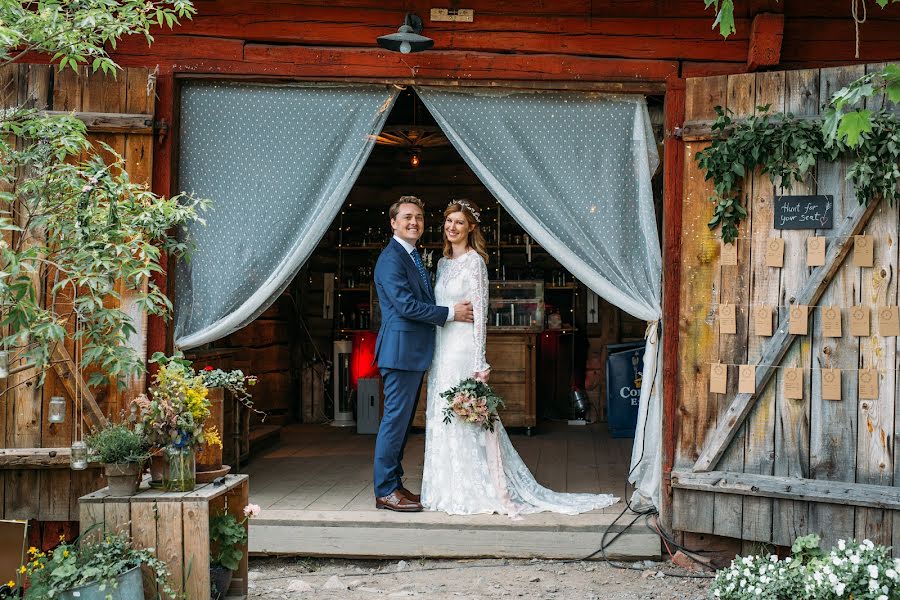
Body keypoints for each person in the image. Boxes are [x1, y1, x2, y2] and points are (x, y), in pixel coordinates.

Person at [421, 199, 619, 516]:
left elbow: (481, 315)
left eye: (459, 222)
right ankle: (445, 487)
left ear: (471, 227)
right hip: (441, 348)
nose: (452, 227)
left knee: (467, 416)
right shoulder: (442, 264)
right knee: (442, 413)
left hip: (462, 350)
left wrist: (479, 361)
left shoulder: (475, 263)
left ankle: (477, 485)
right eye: (448, 222)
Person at [372, 195, 474, 512]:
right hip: (400, 353)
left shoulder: (412, 255)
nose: (414, 222)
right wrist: (449, 313)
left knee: (401, 425)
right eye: (406, 217)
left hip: (413, 354)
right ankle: (385, 490)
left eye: (418, 217)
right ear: (393, 223)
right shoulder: (391, 259)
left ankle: (395, 484)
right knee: (393, 423)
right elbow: (405, 305)